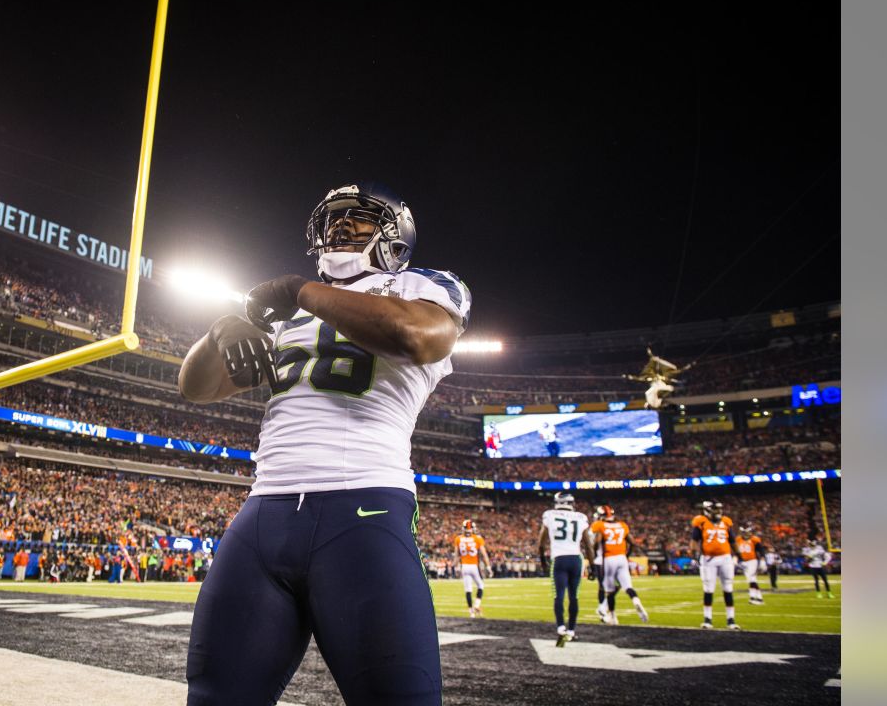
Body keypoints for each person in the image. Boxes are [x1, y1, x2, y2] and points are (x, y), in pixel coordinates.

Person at [180, 183, 470, 706]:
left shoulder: (421, 285)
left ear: (393, 233)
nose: (339, 226)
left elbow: (416, 336)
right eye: (332, 218)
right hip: (264, 514)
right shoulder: (286, 316)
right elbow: (197, 388)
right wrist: (222, 329)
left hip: (362, 508)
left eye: (357, 217)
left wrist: (297, 288)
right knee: (215, 697)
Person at [539, 492, 594, 646]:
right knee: (574, 596)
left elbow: (541, 544)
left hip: (559, 559)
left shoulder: (549, 515)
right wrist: (593, 566)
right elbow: (588, 546)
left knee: (559, 595)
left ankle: (561, 628)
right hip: (576, 559)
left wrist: (543, 561)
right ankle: (571, 631)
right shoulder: (580, 517)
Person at [589, 505, 649, 624]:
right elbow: (632, 543)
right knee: (627, 586)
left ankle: (609, 614)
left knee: (607, 589)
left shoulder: (600, 525)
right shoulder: (622, 525)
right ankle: (635, 600)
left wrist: (595, 552)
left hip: (606, 559)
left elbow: (596, 542)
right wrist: (626, 556)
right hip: (621, 558)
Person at [692, 501, 742, 630]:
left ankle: (731, 619)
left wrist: (738, 554)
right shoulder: (701, 522)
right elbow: (694, 541)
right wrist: (695, 555)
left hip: (725, 558)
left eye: (719, 509)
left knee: (728, 588)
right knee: (708, 589)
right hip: (708, 559)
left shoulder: (726, 521)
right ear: (709, 510)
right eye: (715, 509)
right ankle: (707, 619)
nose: (718, 512)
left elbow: (732, 540)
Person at [454, 519, 493, 618]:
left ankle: (471, 613)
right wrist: (488, 567)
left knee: (468, 589)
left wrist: (456, 567)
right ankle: (476, 605)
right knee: (480, 585)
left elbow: (456, 555)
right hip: (474, 566)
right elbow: (484, 554)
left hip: (464, 567)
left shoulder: (458, 539)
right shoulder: (477, 538)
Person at [736, 523, 766, 605]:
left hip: (752, 561)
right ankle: (758, 598)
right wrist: (736, 559)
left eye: (747, 532)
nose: (746, 534)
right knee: (750, 580)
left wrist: (763, 560)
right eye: (744, 532)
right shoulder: (738, 539)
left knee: (752, 579)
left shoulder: (754, 539)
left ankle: (754, 598)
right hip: (744, 562)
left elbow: (761, 550)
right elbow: (736, 551)